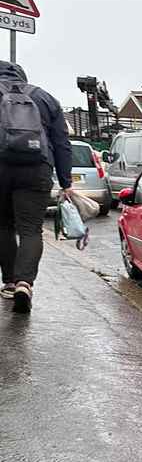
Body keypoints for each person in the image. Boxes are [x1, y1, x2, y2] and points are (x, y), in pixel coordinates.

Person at [0, 61, 72, 314]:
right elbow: (62, 142)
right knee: (31, 229)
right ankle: (24, 283)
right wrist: (66, 181)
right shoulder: (44, 97)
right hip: (37, 169)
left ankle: (9, 281)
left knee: (4, 226)